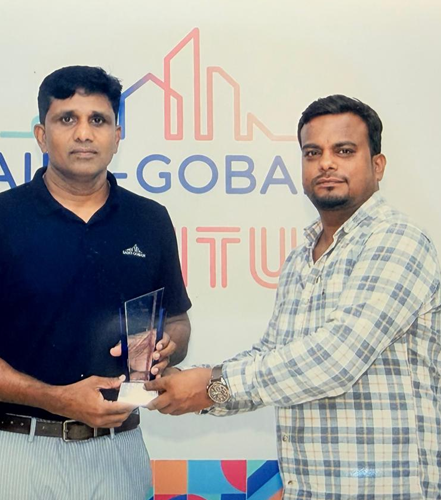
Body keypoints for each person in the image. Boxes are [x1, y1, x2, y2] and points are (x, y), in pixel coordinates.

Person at [146, 95, 441, 499]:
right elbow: (273, 354)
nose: (326, 164)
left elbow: (336, 358)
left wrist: (212, 385)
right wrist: (188, 383)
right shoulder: (302, 257)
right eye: (312, 153)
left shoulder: (398, 241)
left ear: (378, 165)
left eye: (344, 151)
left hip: (383, 488)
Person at [0, 65, 191, 500]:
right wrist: (54, 398)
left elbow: (178, 322)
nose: (84, 133)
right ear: (42, 135)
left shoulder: (150, 220)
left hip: (119, 449)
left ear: (117, 136)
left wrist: (169, 345)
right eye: (67, 119)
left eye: (98, 120)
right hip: (17, 451)